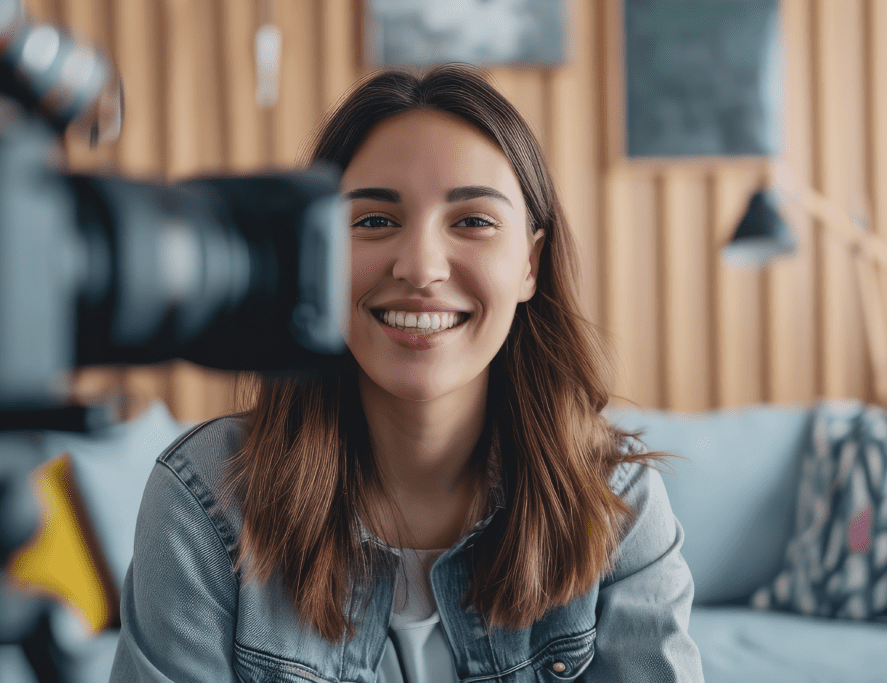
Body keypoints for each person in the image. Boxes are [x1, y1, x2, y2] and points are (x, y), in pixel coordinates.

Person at [111, 63, 705, 682]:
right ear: (318, 253)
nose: (420, 267)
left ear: (530, 264)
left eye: (472, 221)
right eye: (372, 221)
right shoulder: (205, 504)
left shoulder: (616, 505)